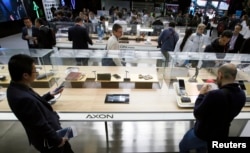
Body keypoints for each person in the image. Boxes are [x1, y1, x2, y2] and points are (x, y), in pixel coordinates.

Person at [7, 54, 74, 153]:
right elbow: (39, 125)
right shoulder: (23, 98)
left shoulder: (17, 88)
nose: (37, 73)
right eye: (34, 70)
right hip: (50, 140)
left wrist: (49, 95)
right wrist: (57, 140)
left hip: (53, 134)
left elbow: (35, 106)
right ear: (25, 75)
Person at [179, 63, 246, 153]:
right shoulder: (242, 94)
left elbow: (197, 113)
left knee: (183, 146)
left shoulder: (214, 95)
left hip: (203, 134)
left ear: (220, 74)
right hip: (222, 134)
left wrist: (202, 94)